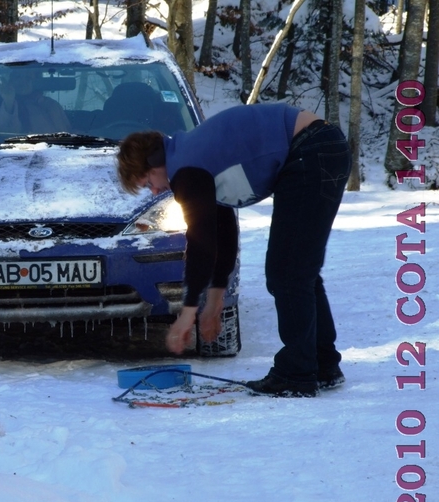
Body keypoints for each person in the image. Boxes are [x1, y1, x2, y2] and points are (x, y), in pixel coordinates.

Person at [116, 103, 351, 397]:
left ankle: (298, 373)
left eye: (147, 182)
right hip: (322, 147)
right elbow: (222, 234)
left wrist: (187, 313)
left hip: (310, 150)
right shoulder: (195, 157)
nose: (154, 191)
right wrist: (213, 304)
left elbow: (201, 243)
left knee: (288, 272)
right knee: (298, 268)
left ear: (154, 161)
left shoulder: (186, 168)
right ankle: (322, 364)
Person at [0, 69, 71, 134]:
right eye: (17, 77)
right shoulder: (4, 104)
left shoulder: (51, 104)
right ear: (11, 80)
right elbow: (6, 134)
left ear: (37, 81)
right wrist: (9, 101)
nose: (22, 81)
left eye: (28, 78)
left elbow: (66, 131)